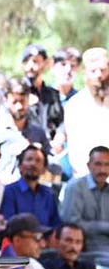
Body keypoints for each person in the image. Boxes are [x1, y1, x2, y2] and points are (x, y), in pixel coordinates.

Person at [0, 78, 50, 182]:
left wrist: (38, 155)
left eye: (23, 101)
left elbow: (53, 164)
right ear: (5, 100)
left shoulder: (38, 132)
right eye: (14, 102)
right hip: (0, 190)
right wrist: (11, 153)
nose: (19, 106)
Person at [63, 47, 109, 178]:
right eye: (93, 71)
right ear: (85, 73)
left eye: (103, 70)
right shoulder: (75, 105)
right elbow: (77, 154)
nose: (99, 75)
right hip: (86, 180)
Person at [61, 145, 109, 258]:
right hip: (82, 248)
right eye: (98, 164)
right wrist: (104, 227)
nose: (102, 170)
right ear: (89, 166)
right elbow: (71, 223)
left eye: (107, 165)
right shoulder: (76, 187)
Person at [0, 143, 60, 229]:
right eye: (29, 159)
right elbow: (8, 224)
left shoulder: (49, 194)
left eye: (38, 160)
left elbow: (55, 224)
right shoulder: (9, 192)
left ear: (44, 169)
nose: (33, 164)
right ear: (20, 166)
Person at [21, 43, 64, 138]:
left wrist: (60, 136)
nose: (30, 66)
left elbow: (60, 122)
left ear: (45, 63)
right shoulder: (17, 94)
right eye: (26, 61)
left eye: (35, 61)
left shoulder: (52, 94)